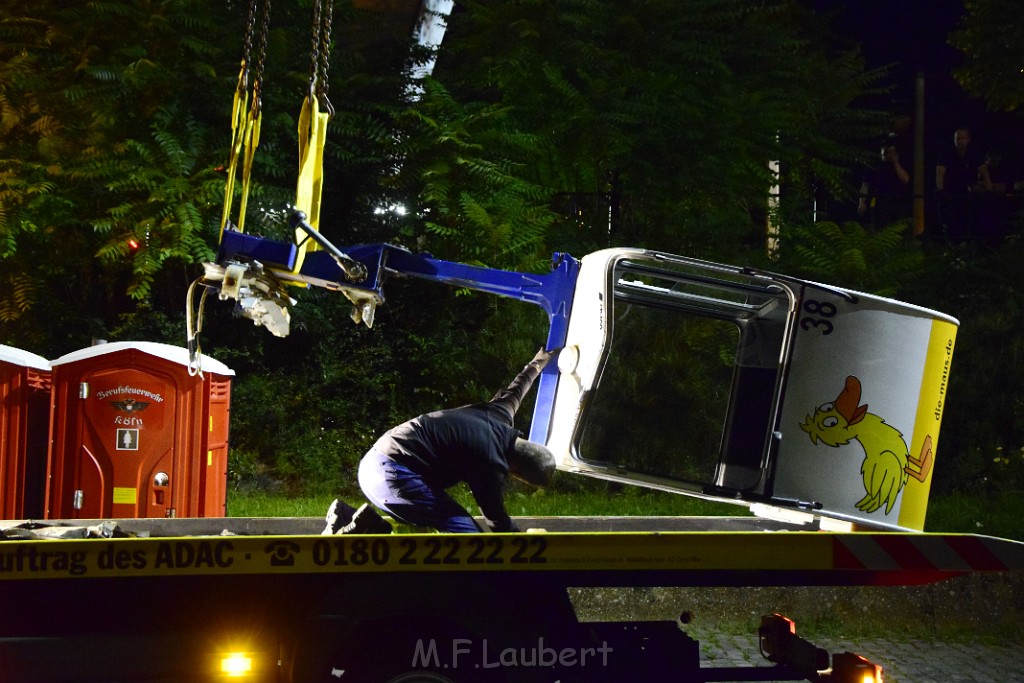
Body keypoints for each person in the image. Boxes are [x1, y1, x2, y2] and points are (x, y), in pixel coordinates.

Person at [325, 347, 558, 534]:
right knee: (468, 537)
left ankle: (351, 520)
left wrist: (538, 361)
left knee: (427, 523)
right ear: (517, 472)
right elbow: (497, 523)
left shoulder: (500, 414)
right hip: (393, 476)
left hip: (376, 463)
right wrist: (526, 545)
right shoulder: (490, 462)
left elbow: (518, 388)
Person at [935, 127, 992, 239]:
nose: (960, 141)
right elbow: (940, 172)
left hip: (968, 192)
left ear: (968, 139)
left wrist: (989, 189)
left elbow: (983, 171)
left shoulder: (974, 153)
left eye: (963, 138)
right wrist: (940, 190)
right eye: (958, 138)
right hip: (950, 192)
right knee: (950, 218)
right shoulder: (946, 154)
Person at [858, 137, 910, 227]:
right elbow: (865, 185)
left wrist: (895, 162)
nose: (887, 156)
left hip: (898, 202)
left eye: (890, 153)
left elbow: (906, 180)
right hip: (879, 202)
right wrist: (862, 202)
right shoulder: (874, 167)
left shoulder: (901, 165)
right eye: (885, 153)